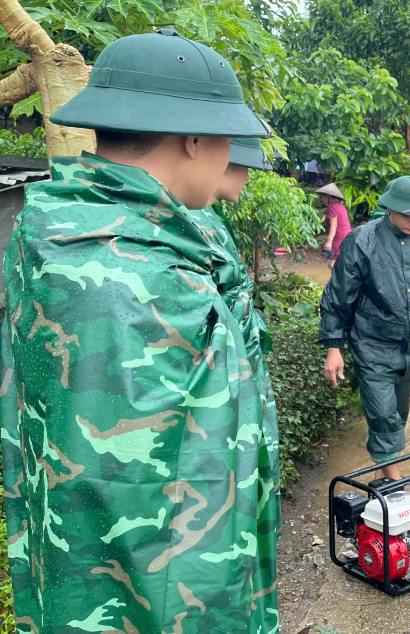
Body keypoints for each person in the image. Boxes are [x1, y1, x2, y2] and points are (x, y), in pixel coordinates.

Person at [0, 29, 277, 633]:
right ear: (195, 139)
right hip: (156, 593)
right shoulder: (161, 280)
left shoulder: (41, 230)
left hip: (66, 557)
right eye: (228, 140)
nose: (233, 159)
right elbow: (200, 482)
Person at [320, 176, 410, 480]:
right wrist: (333, 348)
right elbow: (337, 298)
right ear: (391, 208)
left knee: (398, 416)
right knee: (384, 416)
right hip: (372, 345)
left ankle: (382, 476)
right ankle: (396, 488)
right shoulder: (363, 240)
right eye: (408, 215)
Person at [317, 182, 352, 268]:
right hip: (347, 236)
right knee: (339, 262)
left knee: (333, 264)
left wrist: (329, 241)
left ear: (328, 196)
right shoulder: (340, 206)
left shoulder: (332, 208)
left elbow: (334, 225)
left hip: (339, 238)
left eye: (322, 196)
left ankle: (339, 280)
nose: (321, 199)